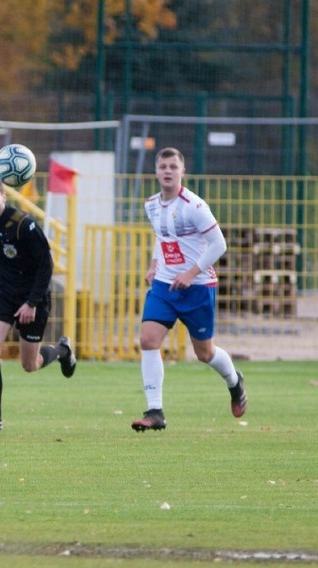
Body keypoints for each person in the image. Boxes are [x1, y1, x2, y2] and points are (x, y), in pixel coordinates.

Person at [131, 147, 247, 432]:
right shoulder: (151, 205)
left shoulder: (194, 206)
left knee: (205, 354)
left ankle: (235, 382)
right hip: (165, 286)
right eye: (163, 166)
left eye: (173, 166)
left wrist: (191, 272)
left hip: (197, 288)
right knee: (148, 340)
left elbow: (219, 244)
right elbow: (162, 237)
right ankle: (155, 411)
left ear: (183, 172)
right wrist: (154, 264)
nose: (168, 171)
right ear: (156, 171)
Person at [0, 173, 76, 431]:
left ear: (4, 196)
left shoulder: (24, 225)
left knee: (30, 365)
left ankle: (63, 351)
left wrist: (32, 303)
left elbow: (46, 265)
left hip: (33, 294)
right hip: (4, 291)